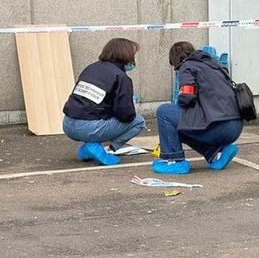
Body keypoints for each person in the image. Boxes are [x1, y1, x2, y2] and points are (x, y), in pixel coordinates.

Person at [152, 41, 243, 174]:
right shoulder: (215, 64)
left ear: (176, 59)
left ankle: (174, 161)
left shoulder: (187, 66)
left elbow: (187, 97)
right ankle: (215, 154)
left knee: (164, 112)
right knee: (182, 125)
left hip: (218, 126)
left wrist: (180, 106)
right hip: (235, 126)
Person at [63, 38, 145, 166]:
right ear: (125, 55)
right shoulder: (121, 77)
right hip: (89, 128)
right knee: (138, 121)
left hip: (68, 124)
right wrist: (130, 104)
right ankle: (105, 149)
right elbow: (126, 116)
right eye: (133, 55)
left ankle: (90, 148)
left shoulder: (90, 68)